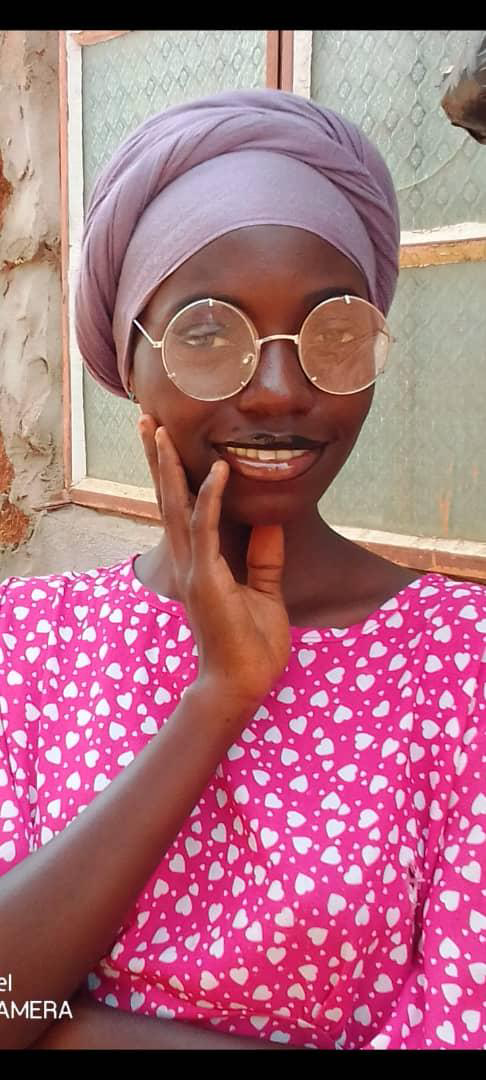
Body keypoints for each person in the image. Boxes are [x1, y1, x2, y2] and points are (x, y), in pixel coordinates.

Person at [0, 88, 485, 1052]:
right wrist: (217, 699)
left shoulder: (461, 662)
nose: (278, 390)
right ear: (126, 360)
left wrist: (65, 1032)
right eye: (209, 333)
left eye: (333, 335)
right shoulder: (28, 641)